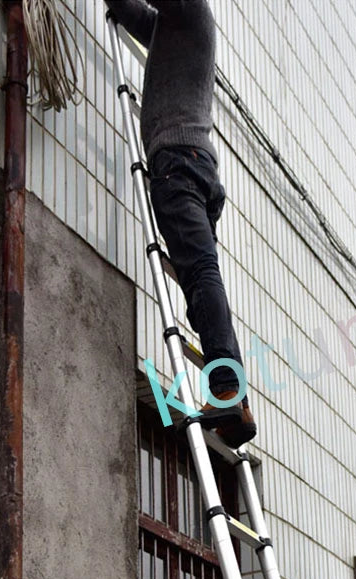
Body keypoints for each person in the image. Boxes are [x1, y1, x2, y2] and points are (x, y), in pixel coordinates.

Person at [104, 0, 257, 448]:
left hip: (178, 163)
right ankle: (235, 397)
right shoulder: (177, 27)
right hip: (194, 165)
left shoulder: (190, 9)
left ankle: (227, 389)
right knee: (200, 275)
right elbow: (133, 13)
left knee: (200, 274)